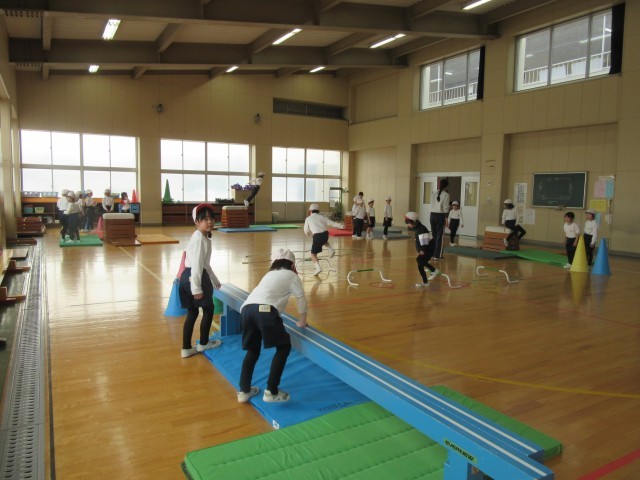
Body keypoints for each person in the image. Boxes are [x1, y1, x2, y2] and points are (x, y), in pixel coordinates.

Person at [237, 248, 308, 403]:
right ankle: (271, 391)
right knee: (284, 347)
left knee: (253, 350)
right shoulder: (292, 275)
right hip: (264, 310)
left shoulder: (269, 274)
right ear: (292, 264)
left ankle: (244, 390)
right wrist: (302, 321)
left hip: (246, 310)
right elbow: (300, 298)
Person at [179, 204, 223, 358]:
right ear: (196, 222)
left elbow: (204, 263)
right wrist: (196, 288)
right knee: (209, 310)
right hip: (195, 277)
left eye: (211, 218)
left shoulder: (200, 237)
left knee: (192, 313)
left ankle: (186, 349)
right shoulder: (200, 240)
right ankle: (204, 343)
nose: (209, 222)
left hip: (186, 276)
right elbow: (198, 265)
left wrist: (214, 279)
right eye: (204, 219)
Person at [405, 212, 438, 287]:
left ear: (413, 221)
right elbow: (419, 241)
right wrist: (420, 250)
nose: (407, 224)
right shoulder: (417, 228)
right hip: (427, 247)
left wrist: (423, 250)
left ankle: (425, 282)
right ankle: (433, 271)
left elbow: (425, 242)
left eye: (408, 222)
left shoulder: (421, 229)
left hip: (429, 248)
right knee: (420, 261)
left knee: (420, 262)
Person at [304, 203, 338, 275]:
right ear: (318, 211)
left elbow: (306, 230)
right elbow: (331, 223)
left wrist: (308, 234)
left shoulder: (308, 218)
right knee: (324, 241)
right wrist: (341, 226)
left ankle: (318, 268)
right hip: (325, 234)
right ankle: (331, 250)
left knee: (313, 255)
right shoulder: (322, 217)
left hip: (317, 236)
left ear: (310, 211)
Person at [430, 179, 450, 260]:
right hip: (440, 216)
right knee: (439, 237)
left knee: (434, 235)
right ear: (446, 186)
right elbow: (445, 208)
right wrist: (446, 219)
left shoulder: (433, 193)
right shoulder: (446, 195)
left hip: (432, 215)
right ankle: (437, 256)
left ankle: (432, 254)